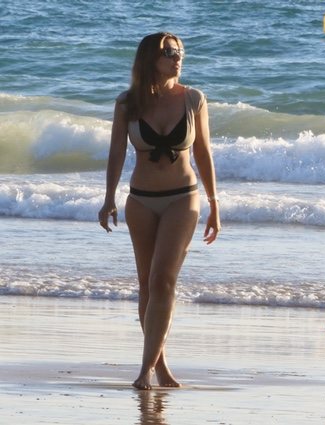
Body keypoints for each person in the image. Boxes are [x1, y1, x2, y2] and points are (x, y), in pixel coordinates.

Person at [98, 32, 220, 390]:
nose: (176, 58)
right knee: (146, 287)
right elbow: (116, 152)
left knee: (163, 279)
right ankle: (161, 365)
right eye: (169, 53)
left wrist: (214, 204)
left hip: (183, 198)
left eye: (180, 52)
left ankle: (144, 371)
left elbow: (203, 154)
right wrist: (108, 198)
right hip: (140, 201)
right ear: (150, 58)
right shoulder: (126, 104)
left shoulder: (194, 99)